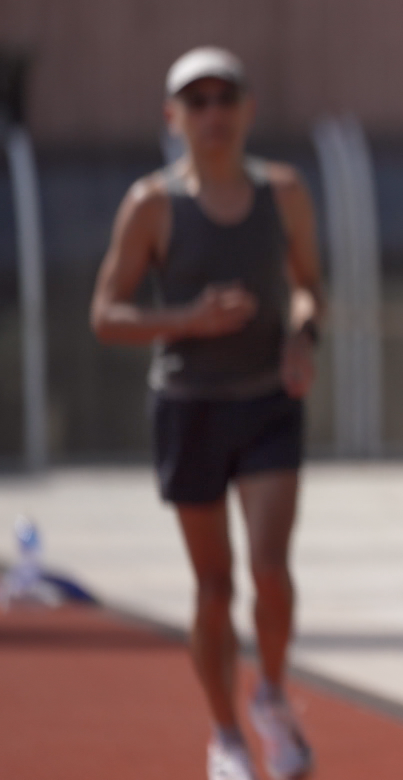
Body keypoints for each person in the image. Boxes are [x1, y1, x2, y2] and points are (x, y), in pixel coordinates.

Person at [91, 47, 325, 780]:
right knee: (216, 585)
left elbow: (310, 286)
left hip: (266, 400)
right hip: (189, 408)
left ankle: (273, 700)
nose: (214, 113)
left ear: (249, 109)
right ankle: (225, 734)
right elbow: (105, 314)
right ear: (174, 117)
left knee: (272, 569)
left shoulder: (283, 192)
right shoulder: (153, 205)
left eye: (226, 98)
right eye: (198, 101)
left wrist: (301, 335)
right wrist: (188, 319)